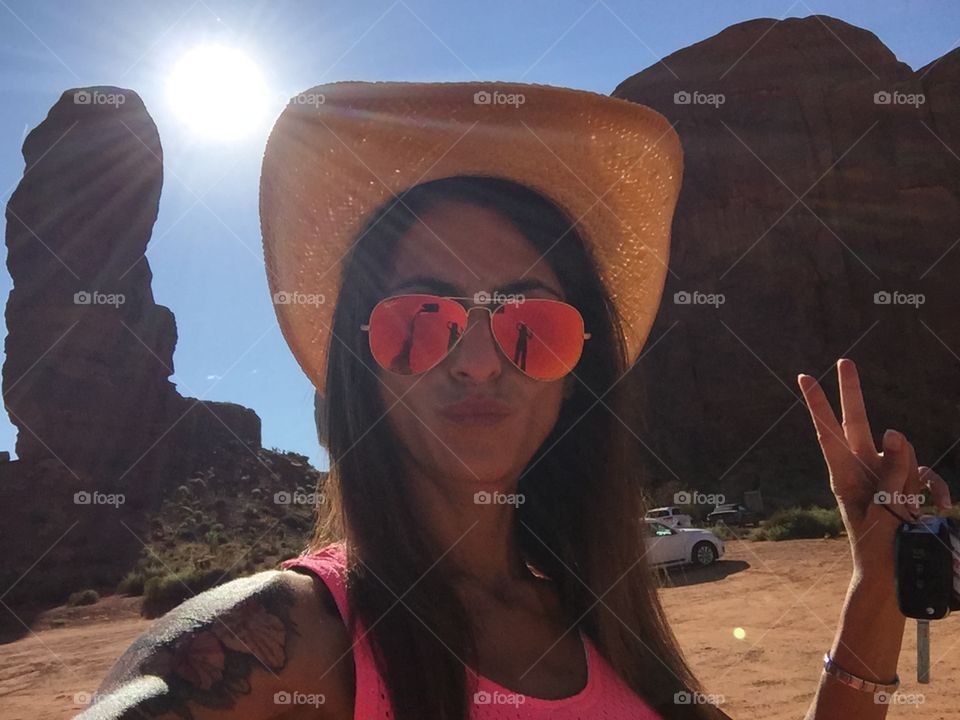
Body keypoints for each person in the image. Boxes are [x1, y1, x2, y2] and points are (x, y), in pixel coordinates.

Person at [80, 81, 951, 720]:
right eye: (422, 320)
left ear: (578, 372)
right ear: (362, 362)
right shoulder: (289, 641)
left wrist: (875, 589)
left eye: (532, 325)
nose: (478, 361)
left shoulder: (606, 627)